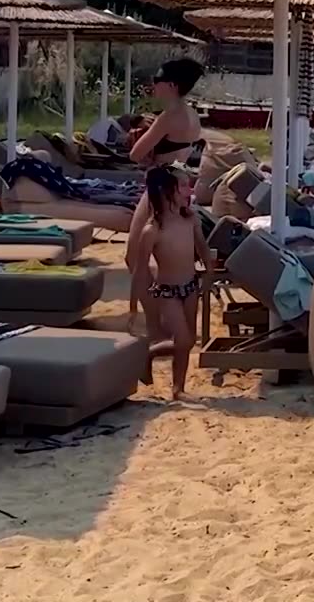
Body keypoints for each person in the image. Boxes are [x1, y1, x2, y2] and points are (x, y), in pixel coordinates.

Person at [125, 58, 205, 329]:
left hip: (161, 187)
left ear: (171, 85)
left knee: (135, 257)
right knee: (168, 261)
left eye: (156, 82)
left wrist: (144, 134)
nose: (153, 87)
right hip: (179, 183)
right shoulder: (190, 114)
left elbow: (136, 154)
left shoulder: (168, 117)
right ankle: (166, 317)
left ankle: (154, 322)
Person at [132, 166, 209, 400]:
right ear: (167, 192)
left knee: (187, 342)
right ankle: (172, 383)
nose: (190, 190)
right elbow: (140, 269)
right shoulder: (152, 230)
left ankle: (171, 380)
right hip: (167, 292)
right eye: (184, 186)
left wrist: (210, 273)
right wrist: (133, 305)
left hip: (191, 286)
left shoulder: (190, 219)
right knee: (183, 340)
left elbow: (202, 249)